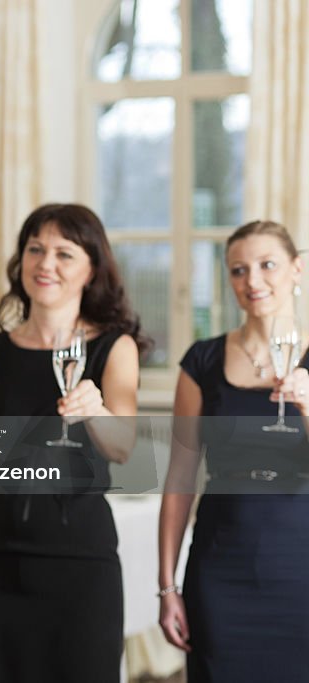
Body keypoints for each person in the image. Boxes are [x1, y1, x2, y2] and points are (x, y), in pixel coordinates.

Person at [0, 203, 143, 682]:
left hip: (80, 569)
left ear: (92, 269)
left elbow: (124, 449)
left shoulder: (115, 347)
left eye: (64, 253)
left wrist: (95, 411)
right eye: (36, 249)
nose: (45, 264)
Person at [159, 220, 309, 682]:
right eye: (239, 270)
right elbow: (180, 478)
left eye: (268, 265)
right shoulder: (202, 361)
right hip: (221, 569)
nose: (253, 281)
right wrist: (167, 587)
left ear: (297, 270)